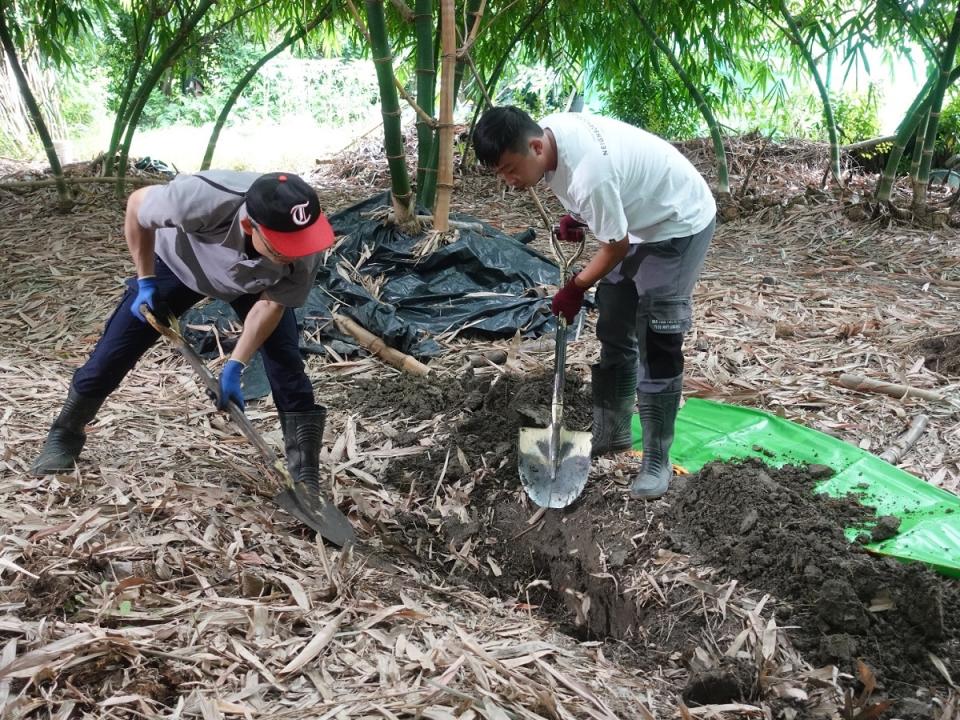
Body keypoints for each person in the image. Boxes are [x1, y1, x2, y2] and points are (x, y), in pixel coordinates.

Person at [32, 170, 336, 499]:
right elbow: (137, 206)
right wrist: (146, 280)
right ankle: (65, 432)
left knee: (286, 363)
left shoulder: (306, 242)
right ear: (250, 226)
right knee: (115, 350)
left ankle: (304, 473)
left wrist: (236, 364)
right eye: (282, 248)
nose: (294, 253)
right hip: (179, 264)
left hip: (253, 284)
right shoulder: (200, 199)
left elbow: (271, 307)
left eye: (298, 244)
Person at [472, 106, 716, 499]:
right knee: (614, 325)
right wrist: (581, 217)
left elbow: (614, 245)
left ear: (535, 146)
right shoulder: (553, 137)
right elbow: (604, 208)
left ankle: (656, 458)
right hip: (636, 220)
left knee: (658, 336)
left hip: (677, 223)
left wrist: (576, 287)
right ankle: (614, 432)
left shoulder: (590, 173)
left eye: (509, 168)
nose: (509, 181)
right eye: (500, 173)